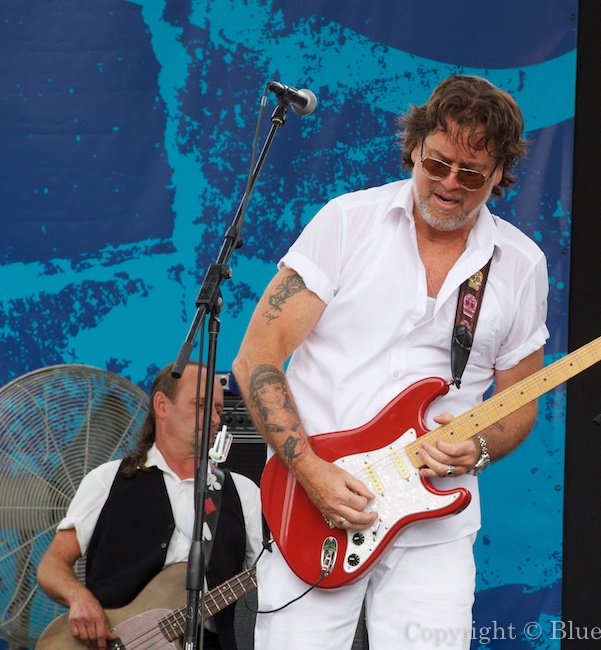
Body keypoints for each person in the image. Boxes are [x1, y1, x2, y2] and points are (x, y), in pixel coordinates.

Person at [232, 74, 549, 649]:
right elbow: (258, 355)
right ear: (414, 149)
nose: (448, 184)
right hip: (317, 504)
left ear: (501, 174)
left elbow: (520, 399)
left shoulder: (521, 264)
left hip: (435, 525)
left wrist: (479, 446)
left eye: (472, 173)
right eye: (436, 164)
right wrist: (309, 471)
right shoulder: (347, 222)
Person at [36, 361, 263, 650]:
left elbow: (269, 576)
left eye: (218, 410)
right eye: (202, 405)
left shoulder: (243, 493)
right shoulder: (107, 481)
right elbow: (51, 565)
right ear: (162, 405)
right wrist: (79, 598)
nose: (215, 419)